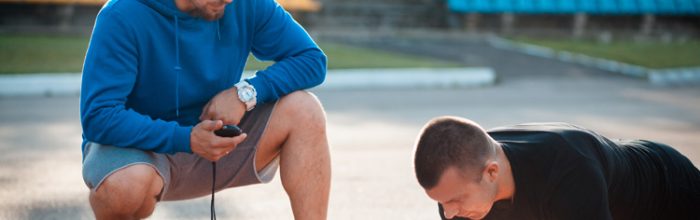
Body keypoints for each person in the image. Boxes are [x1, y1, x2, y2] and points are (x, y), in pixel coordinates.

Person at [79, 0, 330, 219]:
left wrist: (245, 94)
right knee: (124, 188)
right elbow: (99, 116)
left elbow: (312, 59)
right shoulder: (122, 14)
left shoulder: (245, 3)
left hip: (217, 143)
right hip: (142, 151)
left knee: (304, 110)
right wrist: (186, 139)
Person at [413, 116, 700, 220]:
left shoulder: (568, 173)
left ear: (491, 172)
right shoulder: (457, 196)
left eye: (454, 201)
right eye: (440, 202)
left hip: (668, 190)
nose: (448, 213)